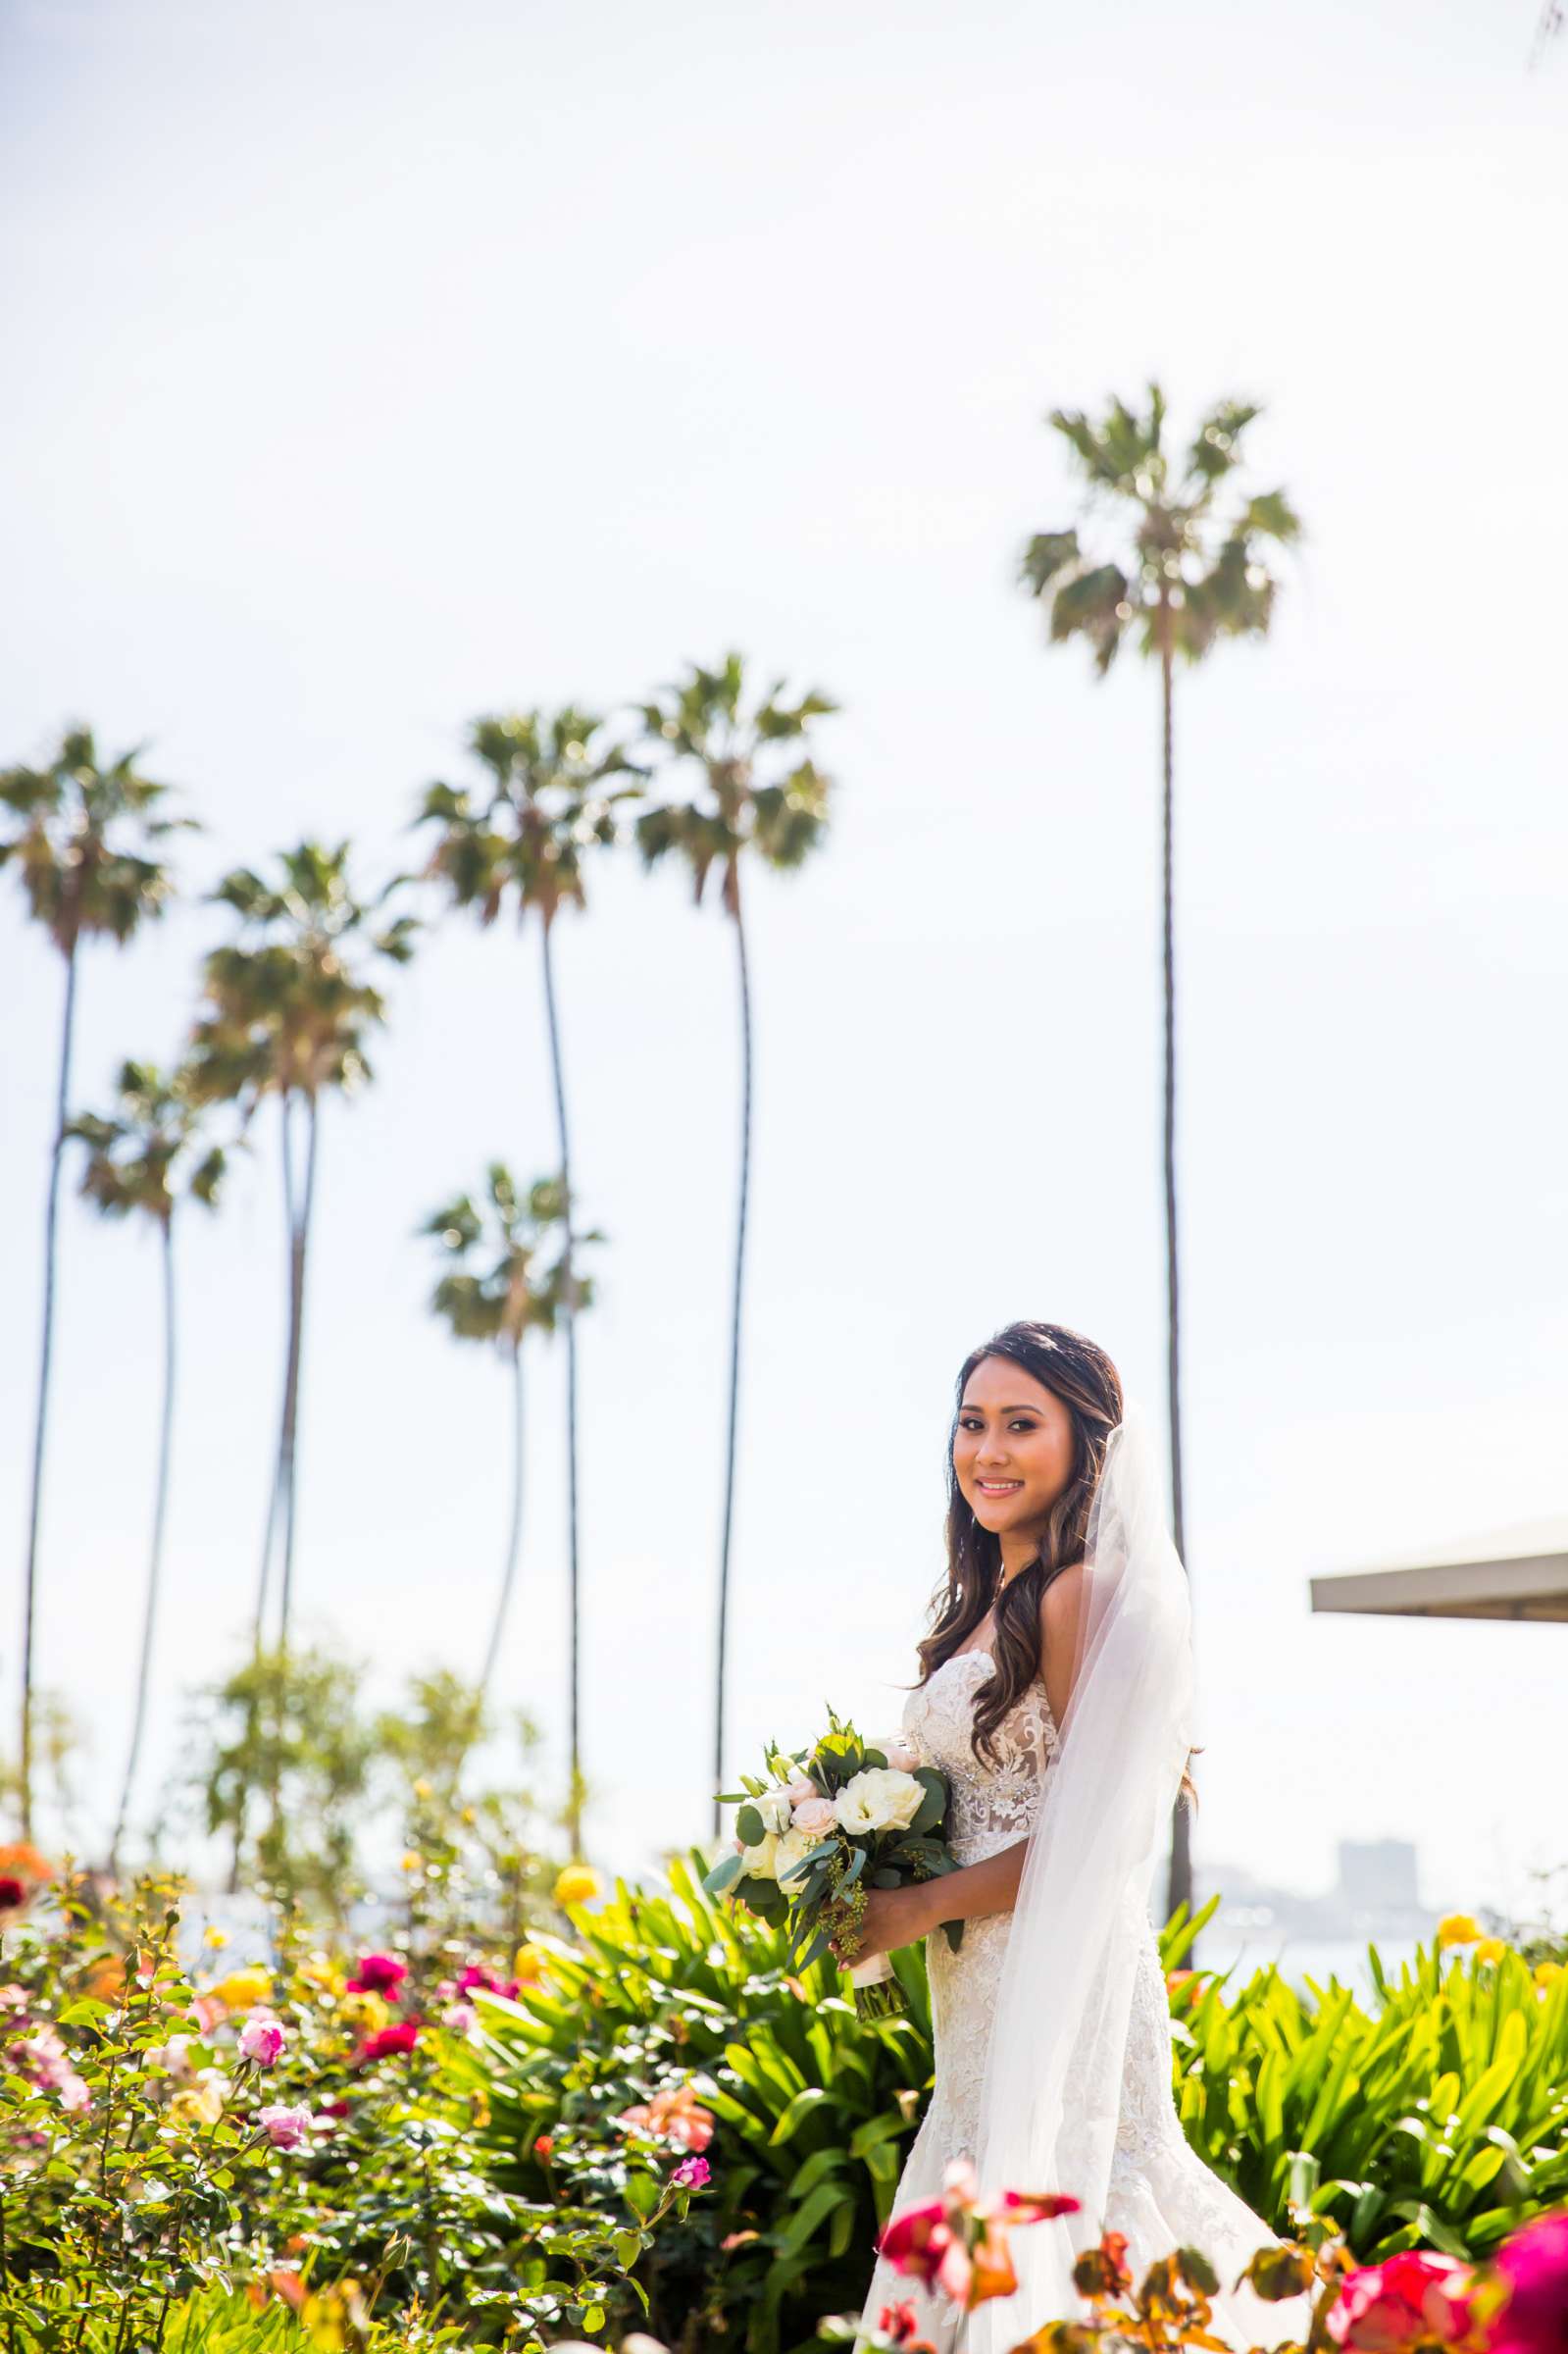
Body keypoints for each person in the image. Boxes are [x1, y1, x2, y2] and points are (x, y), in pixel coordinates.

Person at [836, 1320, 1304, 2354]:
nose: (988, 1451)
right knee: (995, 2205)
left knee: (1082, 2194)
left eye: (1020, 1425)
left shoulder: (1077, 1593)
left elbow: (1095, 1842)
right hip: (982, 1982)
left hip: (1063, 1963)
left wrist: (911, 1908)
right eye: (971, 1423)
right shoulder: (983, 1602)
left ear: (1084, 1444)